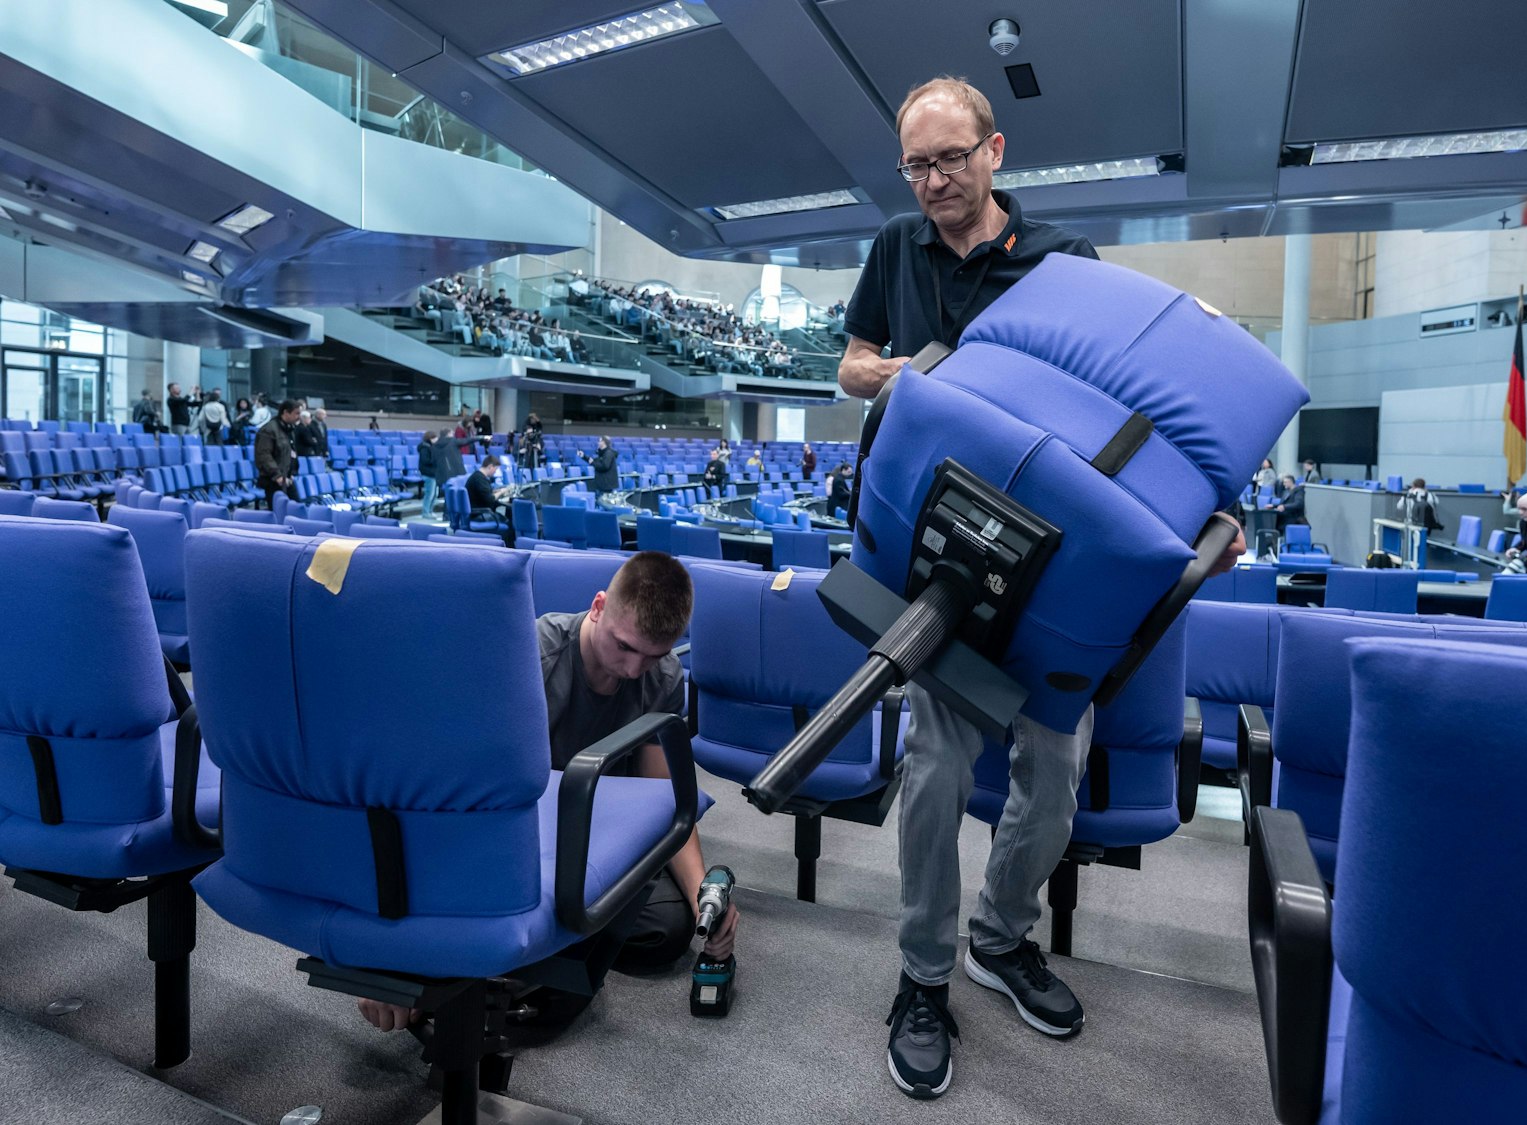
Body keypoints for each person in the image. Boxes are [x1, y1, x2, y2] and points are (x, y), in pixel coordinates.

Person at [837, 75, 1244, 1100]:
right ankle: (924, 972)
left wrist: (1207, 515)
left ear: (994, 151)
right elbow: (850, 364)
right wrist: (911, 378)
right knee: (933, 762)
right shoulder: (895, 247)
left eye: (948, 159)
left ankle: (999, 937)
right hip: (942, 535)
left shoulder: (1065, 261)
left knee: (1056, 766)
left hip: (1052, 554)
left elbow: (1127, 412)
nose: (932, 182)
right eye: (915, 165)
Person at [359, 553, 739, 1035]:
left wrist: (703, 891)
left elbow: (663, 801)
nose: (632, 668)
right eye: (624, 647)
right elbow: (440, 796)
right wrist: (385, 959)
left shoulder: (662, 678)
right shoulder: (526, 658)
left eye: (653, 654)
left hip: (592, 843)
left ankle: (522, 952)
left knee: (671, 927)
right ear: (598, 606)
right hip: (503, 836)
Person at [254, 399, 301, 509]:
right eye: (296, 413)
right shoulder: (269, 430)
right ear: (285, 413)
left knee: (297, 509)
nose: (299, 416)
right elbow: (264, 456)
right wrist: (277, 475)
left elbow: (291, 453)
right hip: (273, 480)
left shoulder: (289, 429)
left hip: (286, 478)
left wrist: (292, 472)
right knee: (278, 512)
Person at [465, 456, 514, 546]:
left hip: (476, 511)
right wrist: (502, 492)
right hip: (479, 514)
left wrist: (496, 491)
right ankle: (509, 548)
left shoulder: (477, 476)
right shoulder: (479, 479)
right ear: (490, 466)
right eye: (495, 469)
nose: (495, 472)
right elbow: (490, 499)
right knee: (508, 521)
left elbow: (484, 493)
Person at [416, 431, 443, 518]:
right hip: (428, 474)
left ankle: (430, 511)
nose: (436, 440)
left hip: (434, 474)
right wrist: (435, 459)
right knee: (430, 493)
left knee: (435, 494)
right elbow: (425, 461)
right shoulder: (424, 448)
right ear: (429, 439)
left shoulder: (432, 447)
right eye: (434, 438)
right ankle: (425, 512)